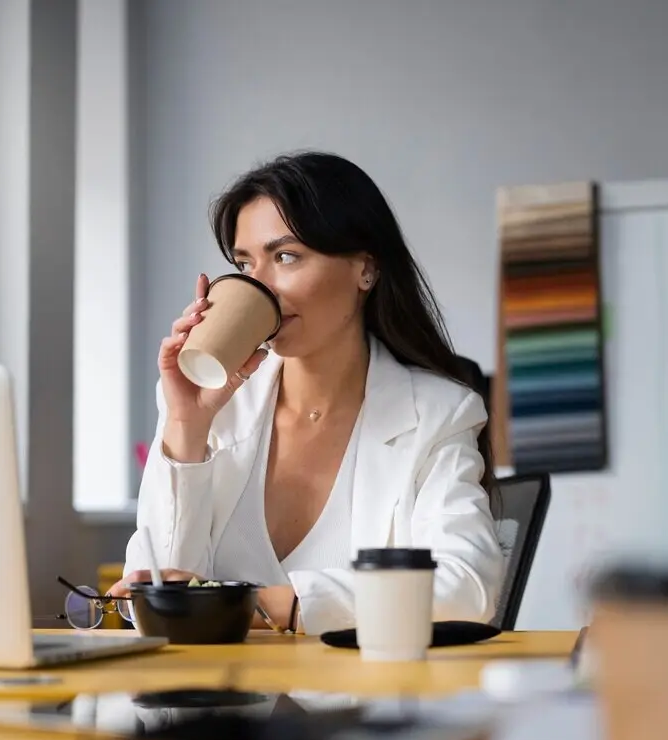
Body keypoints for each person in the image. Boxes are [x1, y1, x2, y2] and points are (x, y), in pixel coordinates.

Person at [110, 151, 504, 635]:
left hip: (361, 705)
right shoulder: (213, 406)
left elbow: (468, 590)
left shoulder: (437, 414)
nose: (260, 286)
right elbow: (151, 593)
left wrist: (266, 604)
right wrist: (185, 427)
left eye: (286, 257)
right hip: (212, 705)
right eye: (244, 263)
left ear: (366, 269)